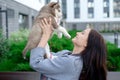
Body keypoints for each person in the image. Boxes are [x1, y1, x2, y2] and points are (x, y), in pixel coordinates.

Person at [30, 18, 107, 80]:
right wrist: (46, 34)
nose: (77, 33)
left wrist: (45, 35)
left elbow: (36, 63)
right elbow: (45, 57)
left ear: (87, 43)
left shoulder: (72, 63)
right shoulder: (66, 53)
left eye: (82, 33)